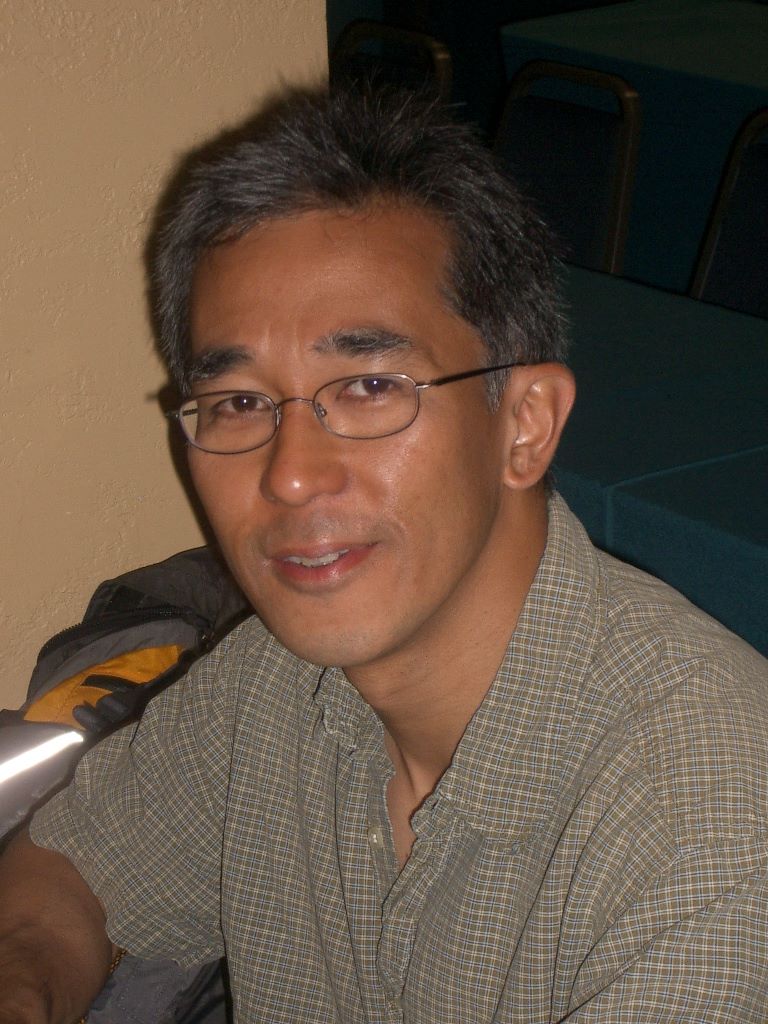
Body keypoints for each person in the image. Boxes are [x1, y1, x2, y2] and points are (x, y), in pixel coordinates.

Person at [1, 82, 767, 1024]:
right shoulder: (276, 686)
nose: (290, 475)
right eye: (238, 403)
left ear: (525, 425)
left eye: (369, 386)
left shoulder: (708, 822)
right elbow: (71, 870)